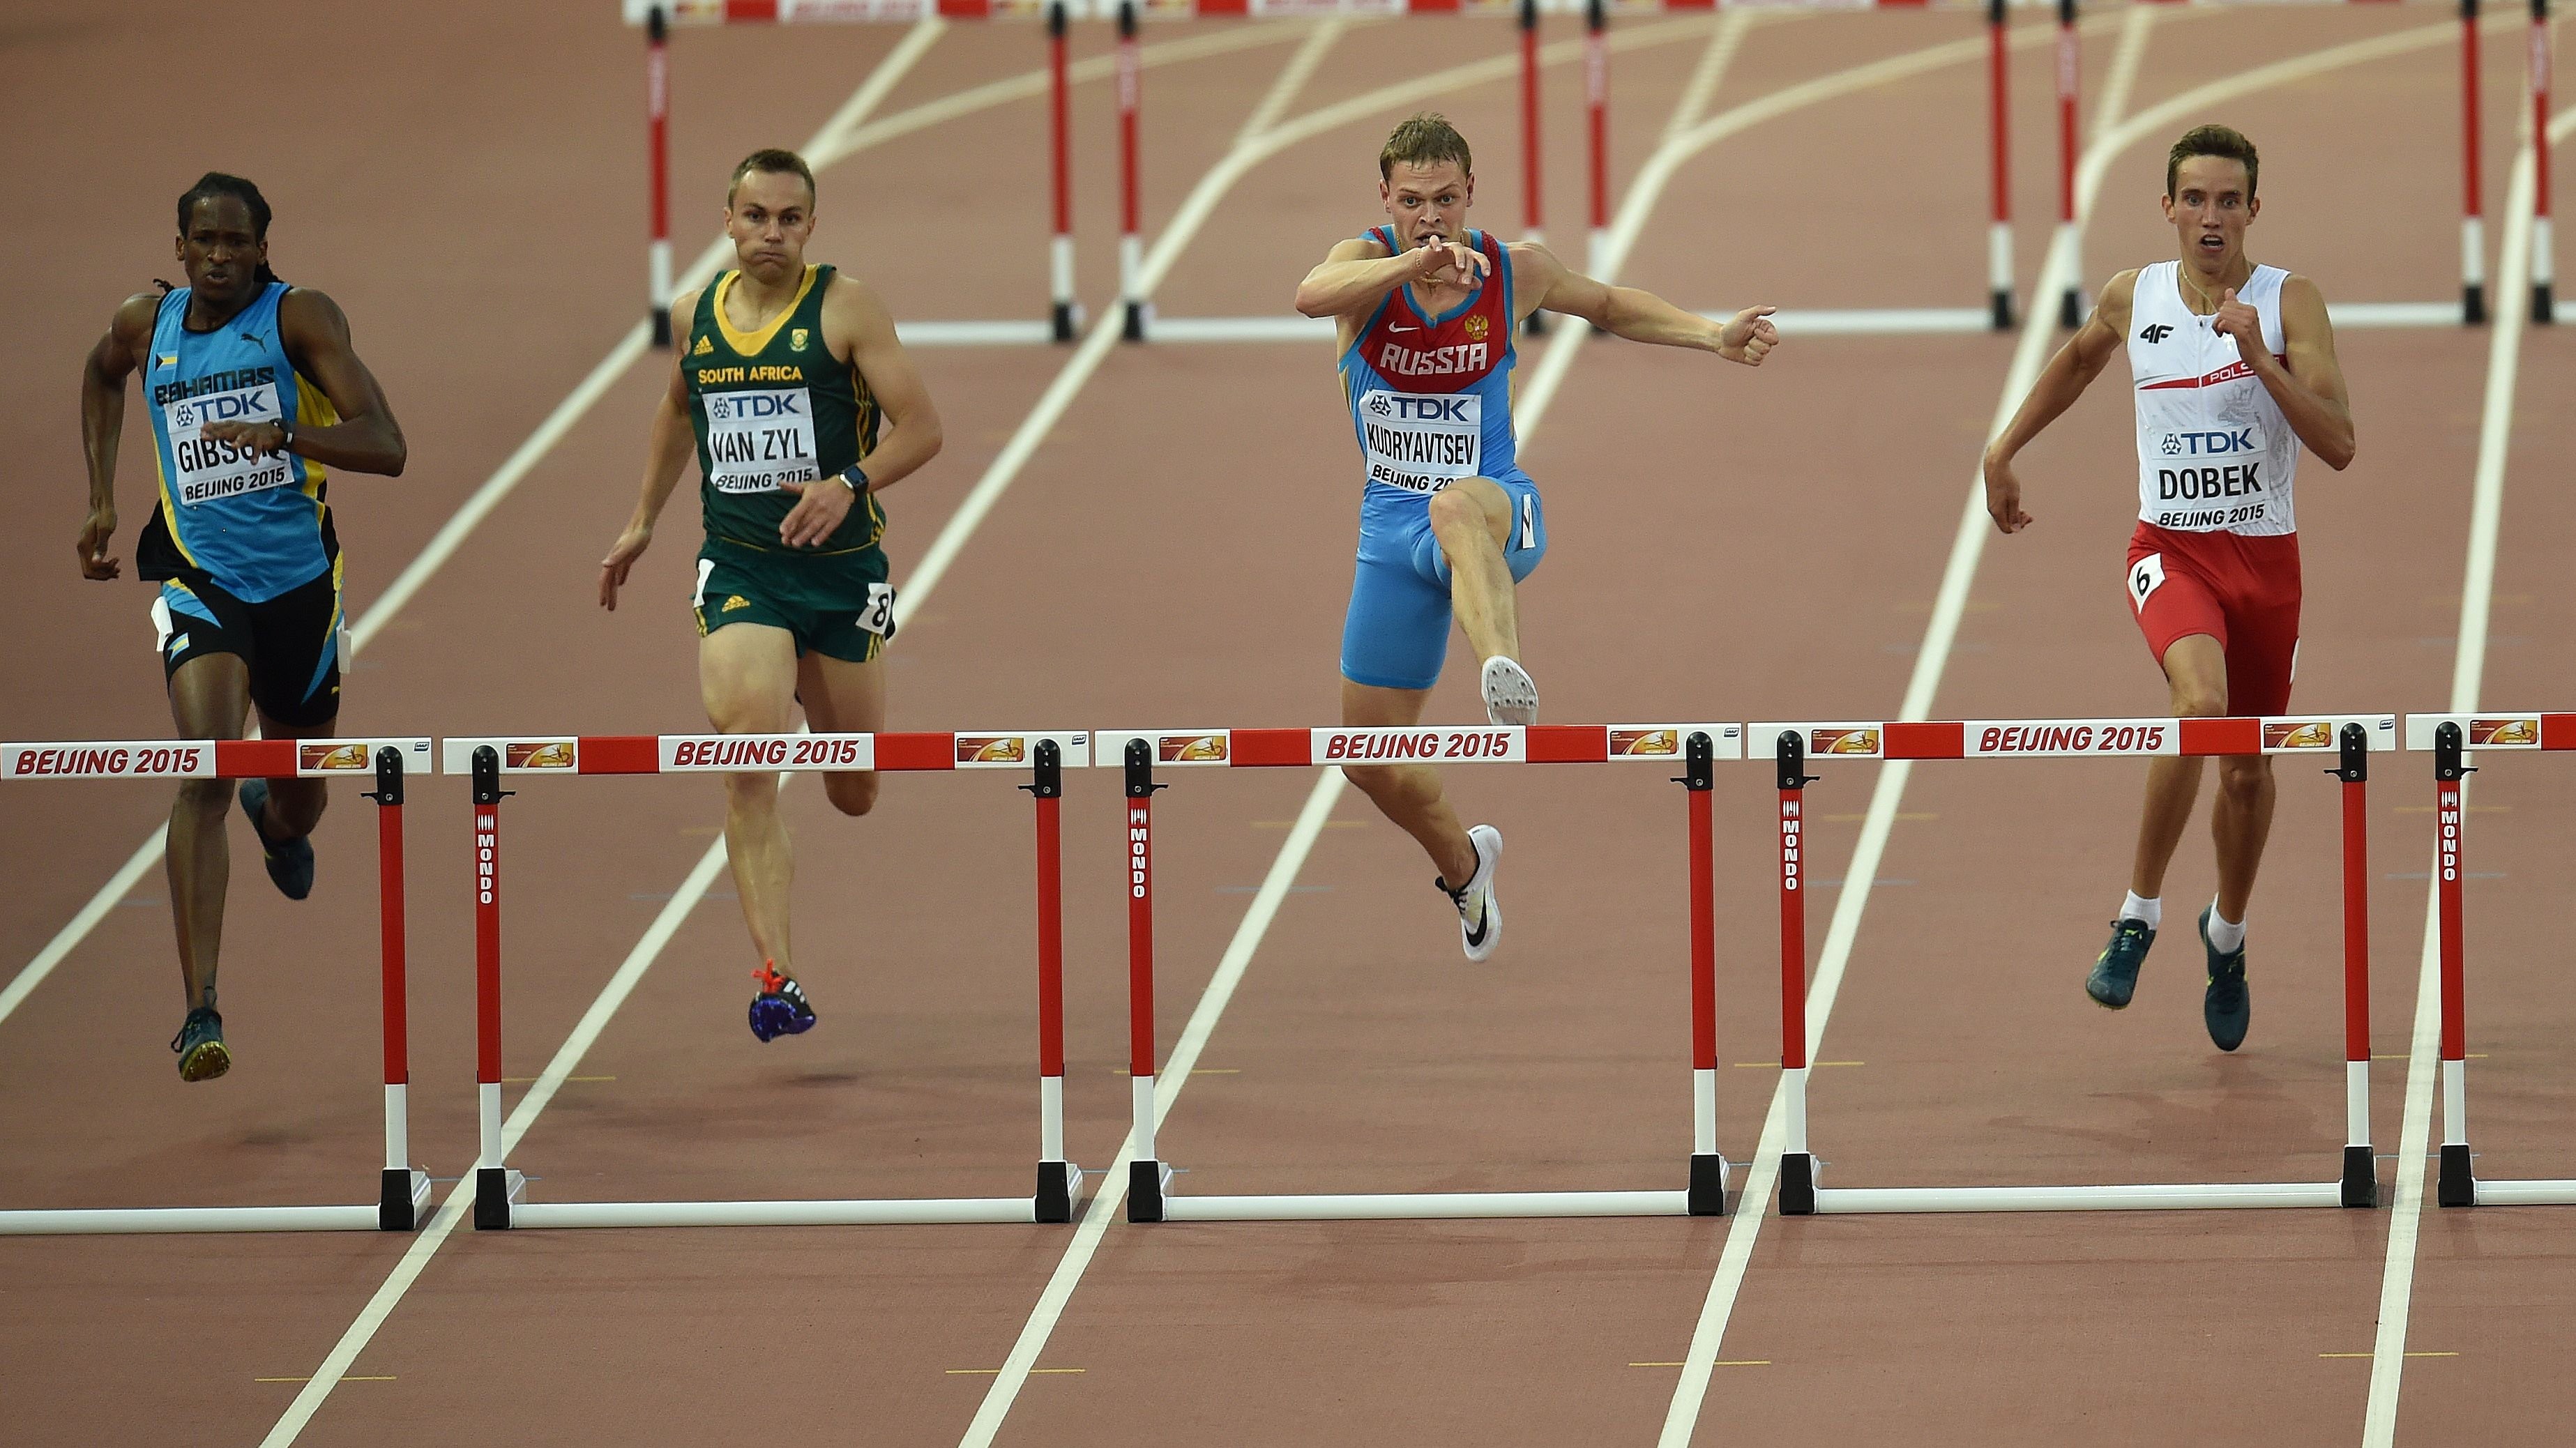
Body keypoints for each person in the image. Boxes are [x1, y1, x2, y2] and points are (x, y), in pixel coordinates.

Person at [1293, 113, 1778, 963]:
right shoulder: (1363, 266)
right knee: (1365, 759)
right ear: (1386, 201)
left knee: (1453, 507)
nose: (1432, 216)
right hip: (1389, 534)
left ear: (1471, 193)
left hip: (1494, 512)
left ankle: (1501, 671)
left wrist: (1710, 334)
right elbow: (1307, 297)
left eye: (1446, 199)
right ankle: (1464, 865)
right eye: (1413, 202)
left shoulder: (1513, 272)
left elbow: (1612, 305)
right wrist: (1411, 264)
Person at [1980, 125, 2356, 1051]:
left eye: (2228, 201)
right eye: (2194, 199)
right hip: (2171, 553)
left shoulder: (2288, 300)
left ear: (2251, 212)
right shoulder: (2131, 295)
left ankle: (2223, 935)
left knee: (2245, 770)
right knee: (2199, 702)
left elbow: (2340, 443)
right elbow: (2077, 361)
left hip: (2264, 563)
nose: (2211, 217)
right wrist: (2002, 448)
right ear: (2168, 209)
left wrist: (2260, 358)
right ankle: (2136, 914)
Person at [599, 148, 943, 1042]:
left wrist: (849, 484)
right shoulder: (694, 316)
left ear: (811, 227)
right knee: (748, 749)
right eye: (756, 217)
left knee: (854, 788)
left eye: (789, 219)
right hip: (744, 569)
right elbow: (681, 409)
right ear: (728, 220)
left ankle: (811, 685)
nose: (772, 234)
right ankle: (776, 976)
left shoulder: (844, 307)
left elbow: (925, 427)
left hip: (842, 576)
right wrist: (642, 519)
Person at [77, 173, 410, 1081]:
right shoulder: (147, 324)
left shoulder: (298, 320)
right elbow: (100, 377)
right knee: (210, 763)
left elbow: (386, 443)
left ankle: (281, 817)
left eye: (236, 243)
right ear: (179, 247)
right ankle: (201, 1010)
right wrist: (103, 501)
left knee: (299, 794)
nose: (219, 257)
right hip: (200, 580)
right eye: (203, 241)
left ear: (263, 248)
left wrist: (288, 438)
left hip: (300, 588)